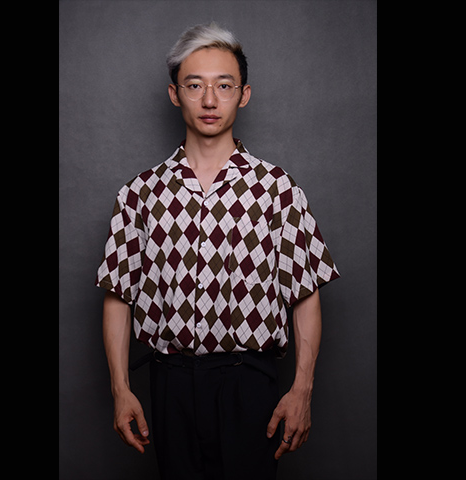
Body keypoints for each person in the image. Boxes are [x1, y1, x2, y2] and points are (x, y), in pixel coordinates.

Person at [96, 22, 339, 480]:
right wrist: (120, 389)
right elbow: (118, 296)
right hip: (170, 381)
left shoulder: (277, 190)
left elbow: (305, 294)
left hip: (249, 381)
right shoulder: (140, 194)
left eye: (224, 86)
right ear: (175, 94)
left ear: (243, 95)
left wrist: (302, 389)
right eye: (195, 85)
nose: (210, 100)